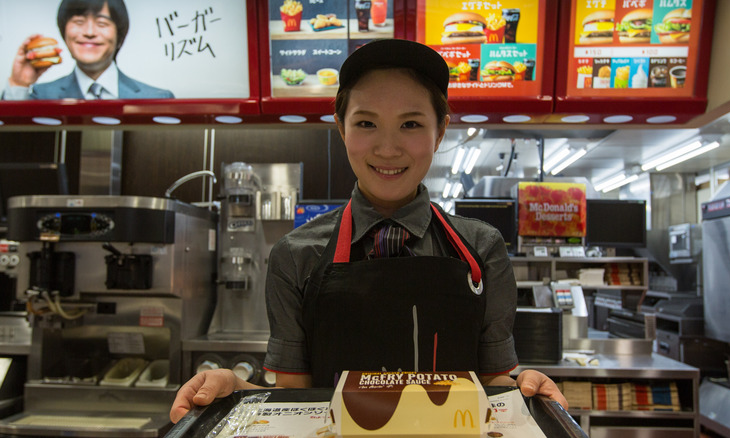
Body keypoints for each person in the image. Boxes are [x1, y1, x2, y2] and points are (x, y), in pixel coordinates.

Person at [169, 39, 567, 424]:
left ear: (440, 130)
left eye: (410, 123)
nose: (388, 148)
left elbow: (493, 383)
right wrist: (235, 387)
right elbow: (297, 397)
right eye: (366, 123)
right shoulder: (295, 255)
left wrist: (526, 390)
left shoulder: (481, 250)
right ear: (341, 128)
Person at [3, 0, 174, 100]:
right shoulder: (40, 97)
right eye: (78, 22)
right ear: (64, 32)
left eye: (102, 23)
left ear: (119, 36)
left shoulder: (157, 98)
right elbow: (12, 147)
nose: (89, 33)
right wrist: (19, 84)